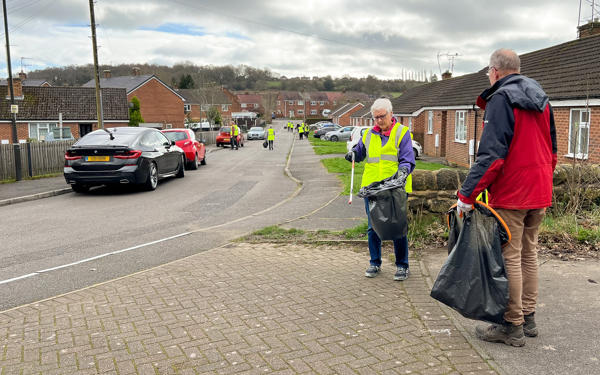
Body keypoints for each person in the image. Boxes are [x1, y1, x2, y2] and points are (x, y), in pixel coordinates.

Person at [457, 48, 557, 347]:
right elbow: (552, 150)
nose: (489, 76)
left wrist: (466, 195)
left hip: (513, 191)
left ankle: (511, 326)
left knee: (510, 256)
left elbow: (491, 156)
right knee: (529, 253)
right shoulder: (542, 99)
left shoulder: (501, 98)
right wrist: (544, 180)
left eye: (489, 71)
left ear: (495, 71)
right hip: (539, 189)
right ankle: (528, 318)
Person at [346, 98, 415, 281]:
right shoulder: (368, 134)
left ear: (391, 114)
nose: (378, 121)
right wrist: (353, 153)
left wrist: (403, 171)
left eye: (382, 116)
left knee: (398, 227)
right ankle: (374, 262)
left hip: (395, 190)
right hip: (373, 190)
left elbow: (408, 159)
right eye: (375, 117)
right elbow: (360, 152)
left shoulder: (402, 133)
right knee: (372, 227)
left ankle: (402, 266)